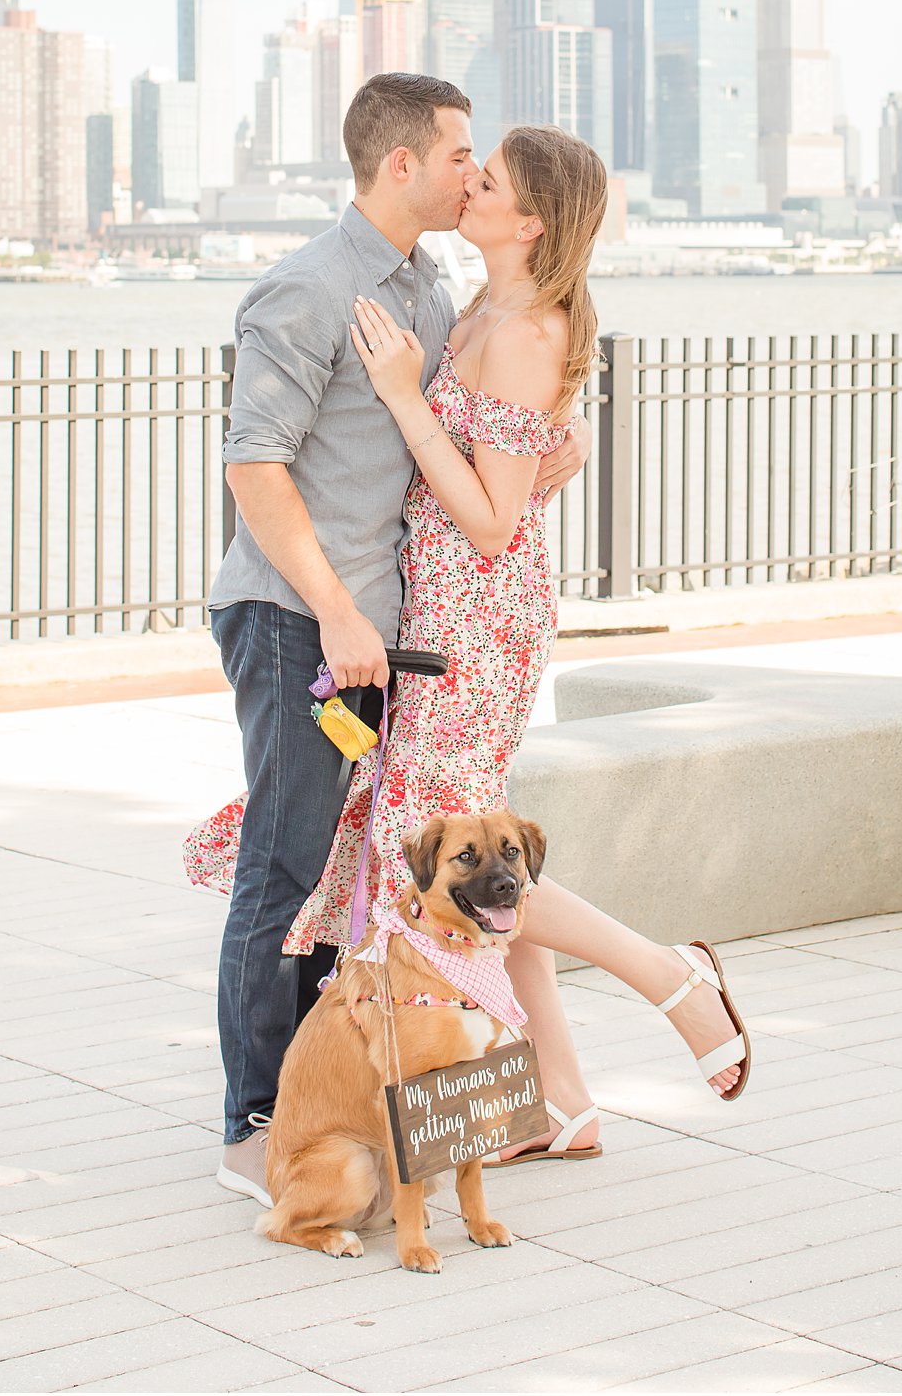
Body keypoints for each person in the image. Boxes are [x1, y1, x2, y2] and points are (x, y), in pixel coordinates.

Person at [287, 122, 751, 1161]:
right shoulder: (477, 307)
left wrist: (406, 400)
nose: (466, 184)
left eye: (484, 179)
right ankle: (561, 1103)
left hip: (475, 619)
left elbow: (492, 522)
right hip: (446, 610)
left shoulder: (526, 326)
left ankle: (669, 975)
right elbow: (519, 461)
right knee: (472, 854)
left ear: (528, 221)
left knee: (459, 856)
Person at [184, 74, 588, 1208]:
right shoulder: (306, 290)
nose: (472, 172)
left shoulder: (427, 286)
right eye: (461, 152)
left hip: (388, 642)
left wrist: (560, 445)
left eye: (482, 163)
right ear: (402, 163)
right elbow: (253, 469)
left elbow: (479, 429)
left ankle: (335, 1100)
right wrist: (336, 610)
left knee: (339, 873)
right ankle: (254, 1122)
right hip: (297, 624)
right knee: (285, 863)